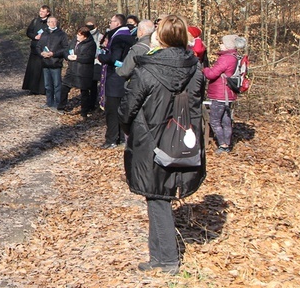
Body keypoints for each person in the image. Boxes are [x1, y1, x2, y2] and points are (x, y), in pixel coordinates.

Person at [119, 14, 206, 275]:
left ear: (162, 38)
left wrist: (132, 130)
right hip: (182, 139)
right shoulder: (196, 69)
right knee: (157, 196)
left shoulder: (147, 70)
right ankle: (158, 256)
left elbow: (127, 109)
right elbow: (194, 107)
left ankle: (167, 259)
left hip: (151, 139)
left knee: (157, 197)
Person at [202, 34, 245, 153]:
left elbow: (211, 74)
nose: (220, 44)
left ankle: (223, 145)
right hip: (229, 94)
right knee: (226, 120)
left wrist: (204, 69)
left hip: (220, 94)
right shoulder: (235, 57)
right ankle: (227, 143)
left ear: (227, 45)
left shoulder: (225, 58)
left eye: (222, 43)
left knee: (215, 120)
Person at [97, 14, 134, 148]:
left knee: (112, 110)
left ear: (118, 24)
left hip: (115, 79)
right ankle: (121, 138)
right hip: (124, 78)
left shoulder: (119, 38)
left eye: (112, 21)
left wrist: (102, 56)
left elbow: (114, 58)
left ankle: (111, 139)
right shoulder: (129, 36)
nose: (110, 24)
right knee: (120, 110)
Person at [59, 26, 96, 118]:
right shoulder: (74, 40)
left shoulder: (91, 44)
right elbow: (67, 50)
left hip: (84, 72)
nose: (77, 36)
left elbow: (89, 58)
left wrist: (77, 58)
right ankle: (61, 107)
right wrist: (68, 56)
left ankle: (84, 111)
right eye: (77, 34)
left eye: (80, 35)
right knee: (64, 87)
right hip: (72, 69)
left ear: (85, 36)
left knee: (84, 92)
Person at [36, 16, 69, 111]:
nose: (52, 23)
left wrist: (54, 54)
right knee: (47, 85)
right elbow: (38, 46)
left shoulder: (61, 34)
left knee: (57, 85)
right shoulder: (44, 33)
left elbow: (65, 48)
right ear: (47, 23)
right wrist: (41, 53)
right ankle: (49, 102)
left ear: (56, 23)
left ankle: (58, 104)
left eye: (54, 22)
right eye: (50, 22)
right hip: (45, 62)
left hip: (55, 63)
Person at [22, 5, 50, 95]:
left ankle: (43, 89)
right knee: (33, 69)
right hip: (34, 48)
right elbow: (28, 32)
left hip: (45, 49)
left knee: (43, 69)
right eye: (40, 11)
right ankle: (32, 88)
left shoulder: (51, 22)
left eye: (43, 11)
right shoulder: (35, 21)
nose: (41, 13)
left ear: (47, 13)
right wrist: (34, 37)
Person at [84, 16, 103, 108]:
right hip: (85, 63)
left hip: (96, 62)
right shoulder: (84, 35)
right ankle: (85, 103)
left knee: (94, 84)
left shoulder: (100, 36)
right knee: (85, 85)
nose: (89, 27)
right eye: (87, 25)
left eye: (91, 25)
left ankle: (92, 103)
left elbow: (101, 49)